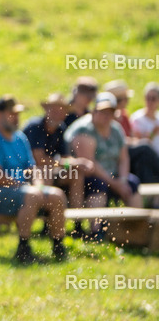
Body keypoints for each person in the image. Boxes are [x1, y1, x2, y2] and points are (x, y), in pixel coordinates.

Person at [0, 96, 67, 264]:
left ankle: (58, 246)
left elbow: (32, 169)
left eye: (17, 114)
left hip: (20, 191)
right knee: (31, 196)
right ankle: (23, 249)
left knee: (57, 196)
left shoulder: (20, 138)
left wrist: (39, 185)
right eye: (12, 114)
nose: (16, 118)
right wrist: (27, 187)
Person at [65, 92, 143, 239]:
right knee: (98, 185)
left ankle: (136, 231)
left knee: (133, 184)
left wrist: (123, 180)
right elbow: (90, 163)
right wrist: (115, 184)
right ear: (95, 111)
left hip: (112, 175)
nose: (106, 116)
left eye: (110, 112)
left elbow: (124, 158)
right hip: (86, 177)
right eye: (103, 111)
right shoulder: (84, 129)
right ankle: (96, 231)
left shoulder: (116, 129)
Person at [23, 92, 89, 220]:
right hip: (28, 172)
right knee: (45, 172)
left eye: (61, 110)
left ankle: (77, 222)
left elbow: (65, 157)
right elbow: (39, 159)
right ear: (47, 110)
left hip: (49, 170)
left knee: (76, 174)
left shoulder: (60, 129)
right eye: (54, 109)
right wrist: (65, 163)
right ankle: (46, 220)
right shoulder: (35, 127)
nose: (57, 113)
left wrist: (77, 162)